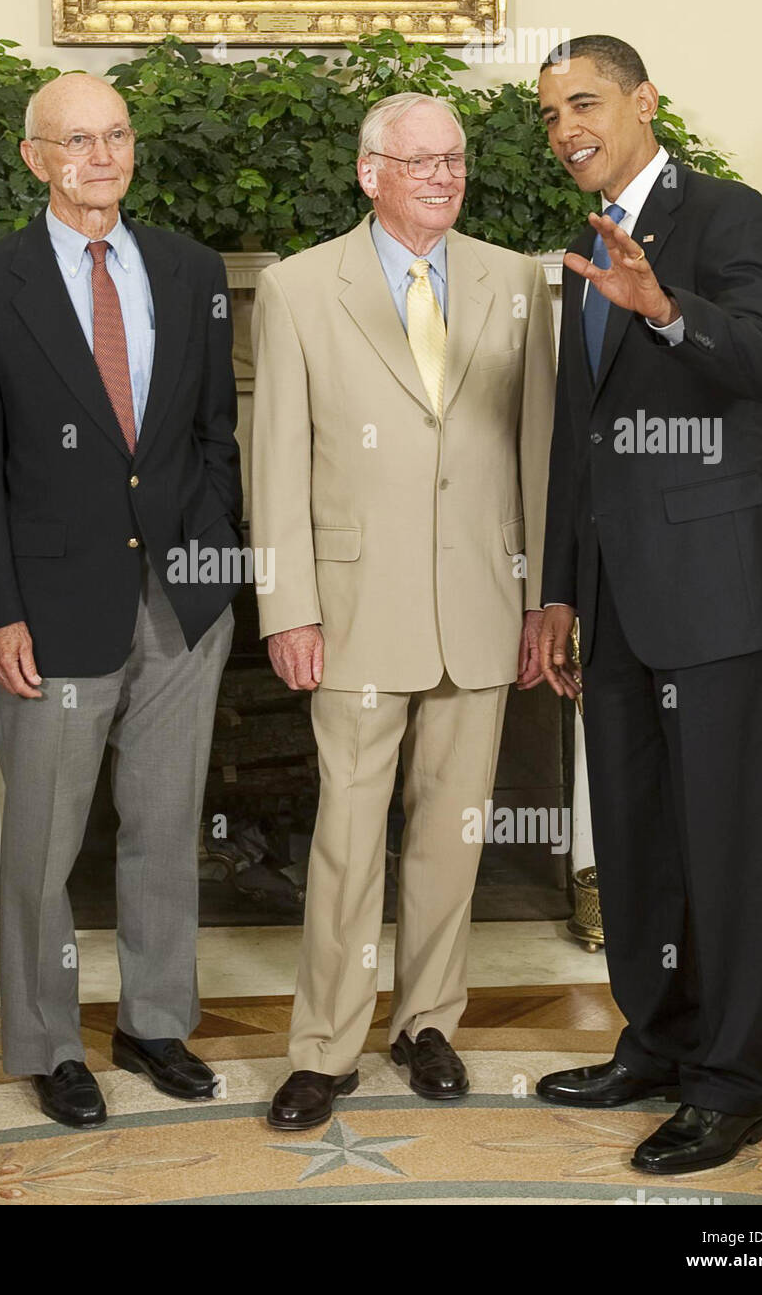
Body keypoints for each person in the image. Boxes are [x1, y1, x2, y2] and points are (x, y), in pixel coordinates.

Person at [0, 73, 242, 1128]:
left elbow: (212, 436)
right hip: (51, 611)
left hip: (183, 604)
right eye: (76, 140)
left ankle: (156, 1024)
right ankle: (47, 1041)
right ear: (35, 158)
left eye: (115, 135)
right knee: (44, 846)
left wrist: (221, 564)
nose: (100, 157)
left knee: (165, 827)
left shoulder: (190, 270)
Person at [250, 91, 557, 1130]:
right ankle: (324, 1047)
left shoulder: (517, 281)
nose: (441, 176)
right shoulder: (295, 289)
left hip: (482, 601)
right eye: (418, 161)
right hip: (348, 611)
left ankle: (428, 1023)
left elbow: (540, 456)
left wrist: (538, 597)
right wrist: (286, 606)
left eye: (453, 160)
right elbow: (276, 462)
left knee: (451, 835)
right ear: (368, 172)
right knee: (344, 835)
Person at [534, 36, 762, 1174]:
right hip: (614, 602)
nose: (565, 130)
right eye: (549, 116)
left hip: (718, 596)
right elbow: (574, 443)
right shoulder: (579, 252)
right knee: (638, 843)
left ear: (643, 102)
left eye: (583, 104)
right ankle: (654, 1042)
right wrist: (554, 592)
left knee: (722, 850)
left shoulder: (724, 212)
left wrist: (664, 308)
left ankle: (732, 1086)